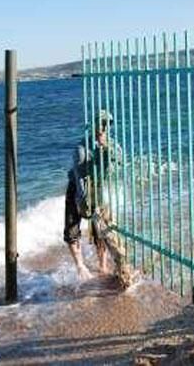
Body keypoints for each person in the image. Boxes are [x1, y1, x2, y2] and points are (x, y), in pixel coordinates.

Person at [63, 110, 133, 289]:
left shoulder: (112, 144)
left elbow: (122, 161)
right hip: (78, 187)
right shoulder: (81, 148)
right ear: (93, 125)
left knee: (100, 229)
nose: (102, 128)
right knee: (72, 228)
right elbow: (79, 176)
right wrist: (83, 198)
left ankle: (102, 265)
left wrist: (106, 147)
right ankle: (80, 266)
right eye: (100, 123)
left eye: (106, 124)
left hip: (100, 188)